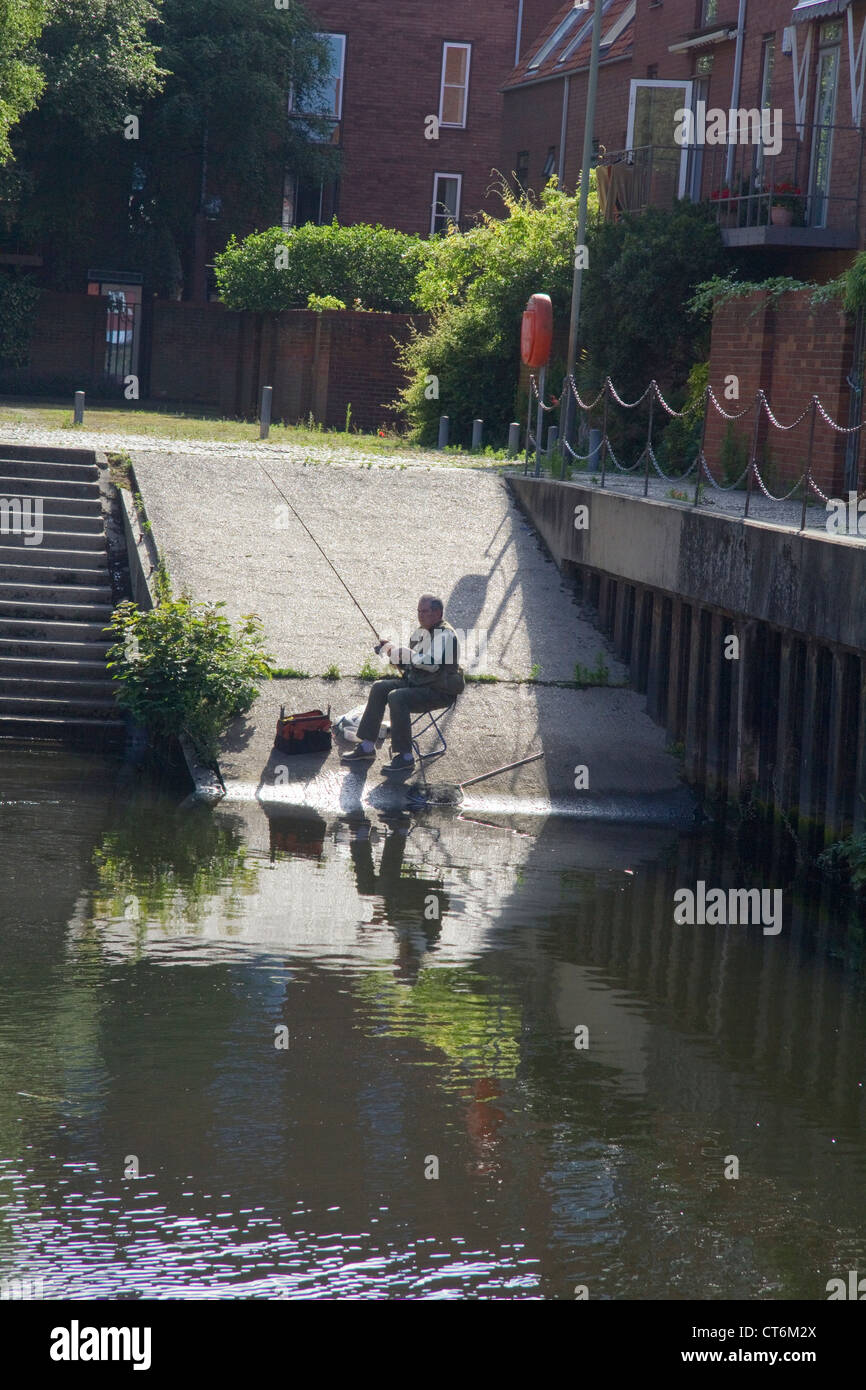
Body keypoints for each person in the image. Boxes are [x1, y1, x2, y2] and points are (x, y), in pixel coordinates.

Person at [341, 595, 463, 774]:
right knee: (379, 687)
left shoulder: (445, 635)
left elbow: (431, 664)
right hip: (418, 684)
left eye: (425, 612)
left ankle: (405, 757)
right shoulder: (421, 633)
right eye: (419, 611)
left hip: (438, 691)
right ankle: (366, 747)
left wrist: (407, 654)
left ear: (437, 613)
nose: (420, 616)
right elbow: (410, 664)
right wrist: (391, 652)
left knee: (397, 697)